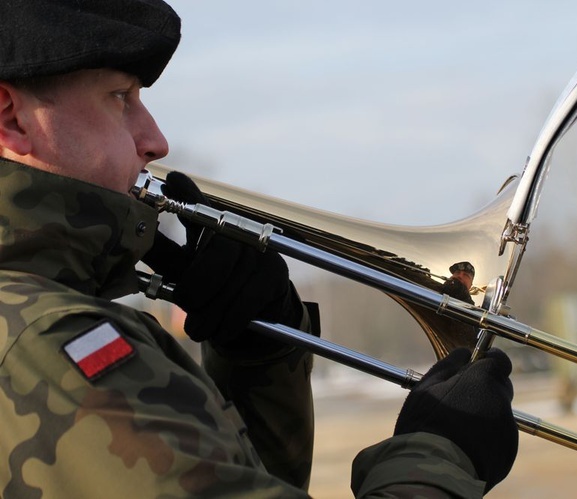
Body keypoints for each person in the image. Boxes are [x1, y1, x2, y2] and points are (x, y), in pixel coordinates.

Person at [0, 1, 519, 497]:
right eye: (121, 96)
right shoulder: (49, 341)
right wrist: (438, 459)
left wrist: (258, 359)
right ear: (11, 117)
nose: (155, 139)